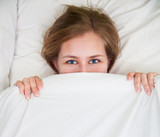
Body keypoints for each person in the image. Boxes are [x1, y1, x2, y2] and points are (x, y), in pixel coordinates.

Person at [14, 5, 158, 100]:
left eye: (94, 61)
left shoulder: (131, 90)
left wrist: (150, 86)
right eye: (71, 61)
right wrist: (23, 94)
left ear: (109, 61)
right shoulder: (38, 92)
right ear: (55, 63)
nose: (84, 72)